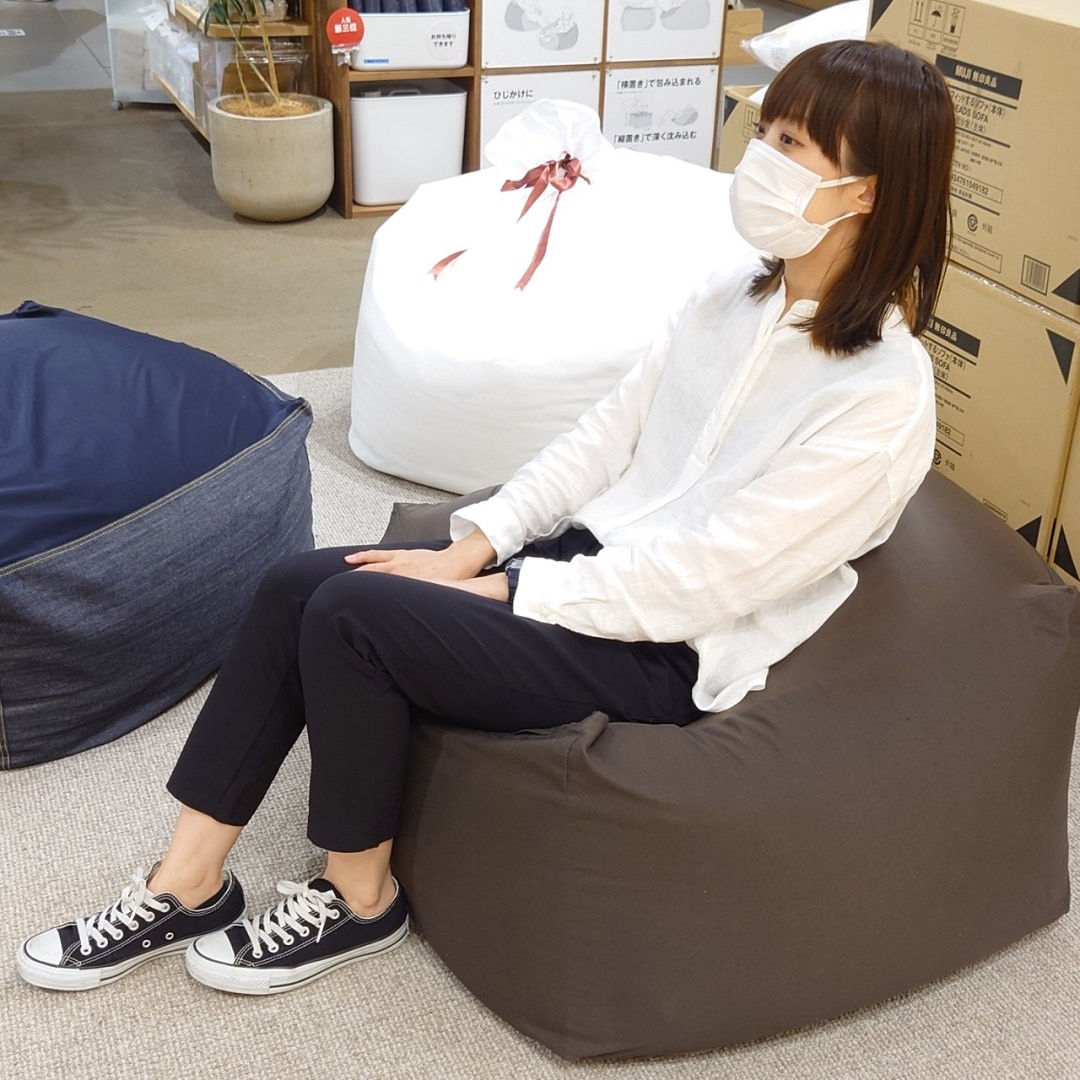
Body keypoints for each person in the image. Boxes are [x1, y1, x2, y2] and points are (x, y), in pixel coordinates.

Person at [17, 38, 955, 995]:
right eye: (764, 130)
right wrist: (476, 544)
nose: (759, 158)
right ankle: (187, 884)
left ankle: (361, 900)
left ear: (866, 192)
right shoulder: (725, 299)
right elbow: (600, 440)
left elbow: (713, 577)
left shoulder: (882, 395)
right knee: (297, 583)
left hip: (668, 645)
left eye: (791, 143)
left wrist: (509, 588)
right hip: (587, 562)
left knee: (353, 616)